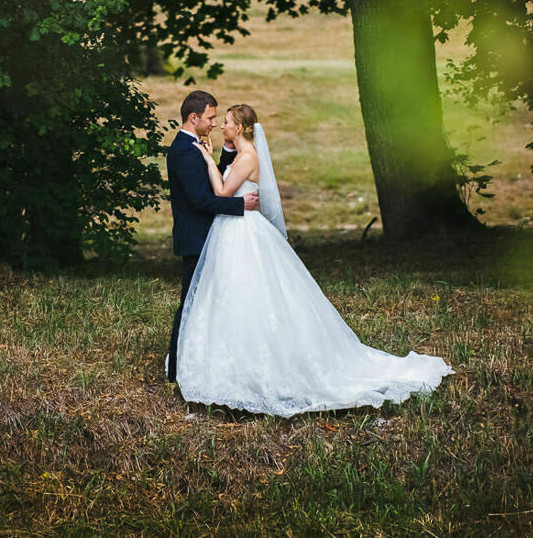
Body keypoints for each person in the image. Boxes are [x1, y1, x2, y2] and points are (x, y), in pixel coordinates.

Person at [174, 103, 455, 417]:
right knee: (230, 296)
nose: (221, 126)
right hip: (231, 232)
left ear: (239, 128)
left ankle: (258, 370)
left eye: (225, 122)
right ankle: (229, 368)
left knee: (250, 296)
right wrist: (214, 158)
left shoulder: (249, 156)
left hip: (242, 233)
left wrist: (206, 159)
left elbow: (223, 192)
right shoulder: (241, 155)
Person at [165, 90, 260, 383]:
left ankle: (206, 360)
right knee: (191, 301)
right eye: (210, 117)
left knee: (209, 300)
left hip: (210, 235)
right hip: (195, 236)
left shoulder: (195, 146)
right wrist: (238, 205)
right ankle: (176, 368)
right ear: (193, 118)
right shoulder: (182, 150)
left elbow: (214, 182)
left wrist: (225, 154)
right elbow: (198, 199)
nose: (214, 123)